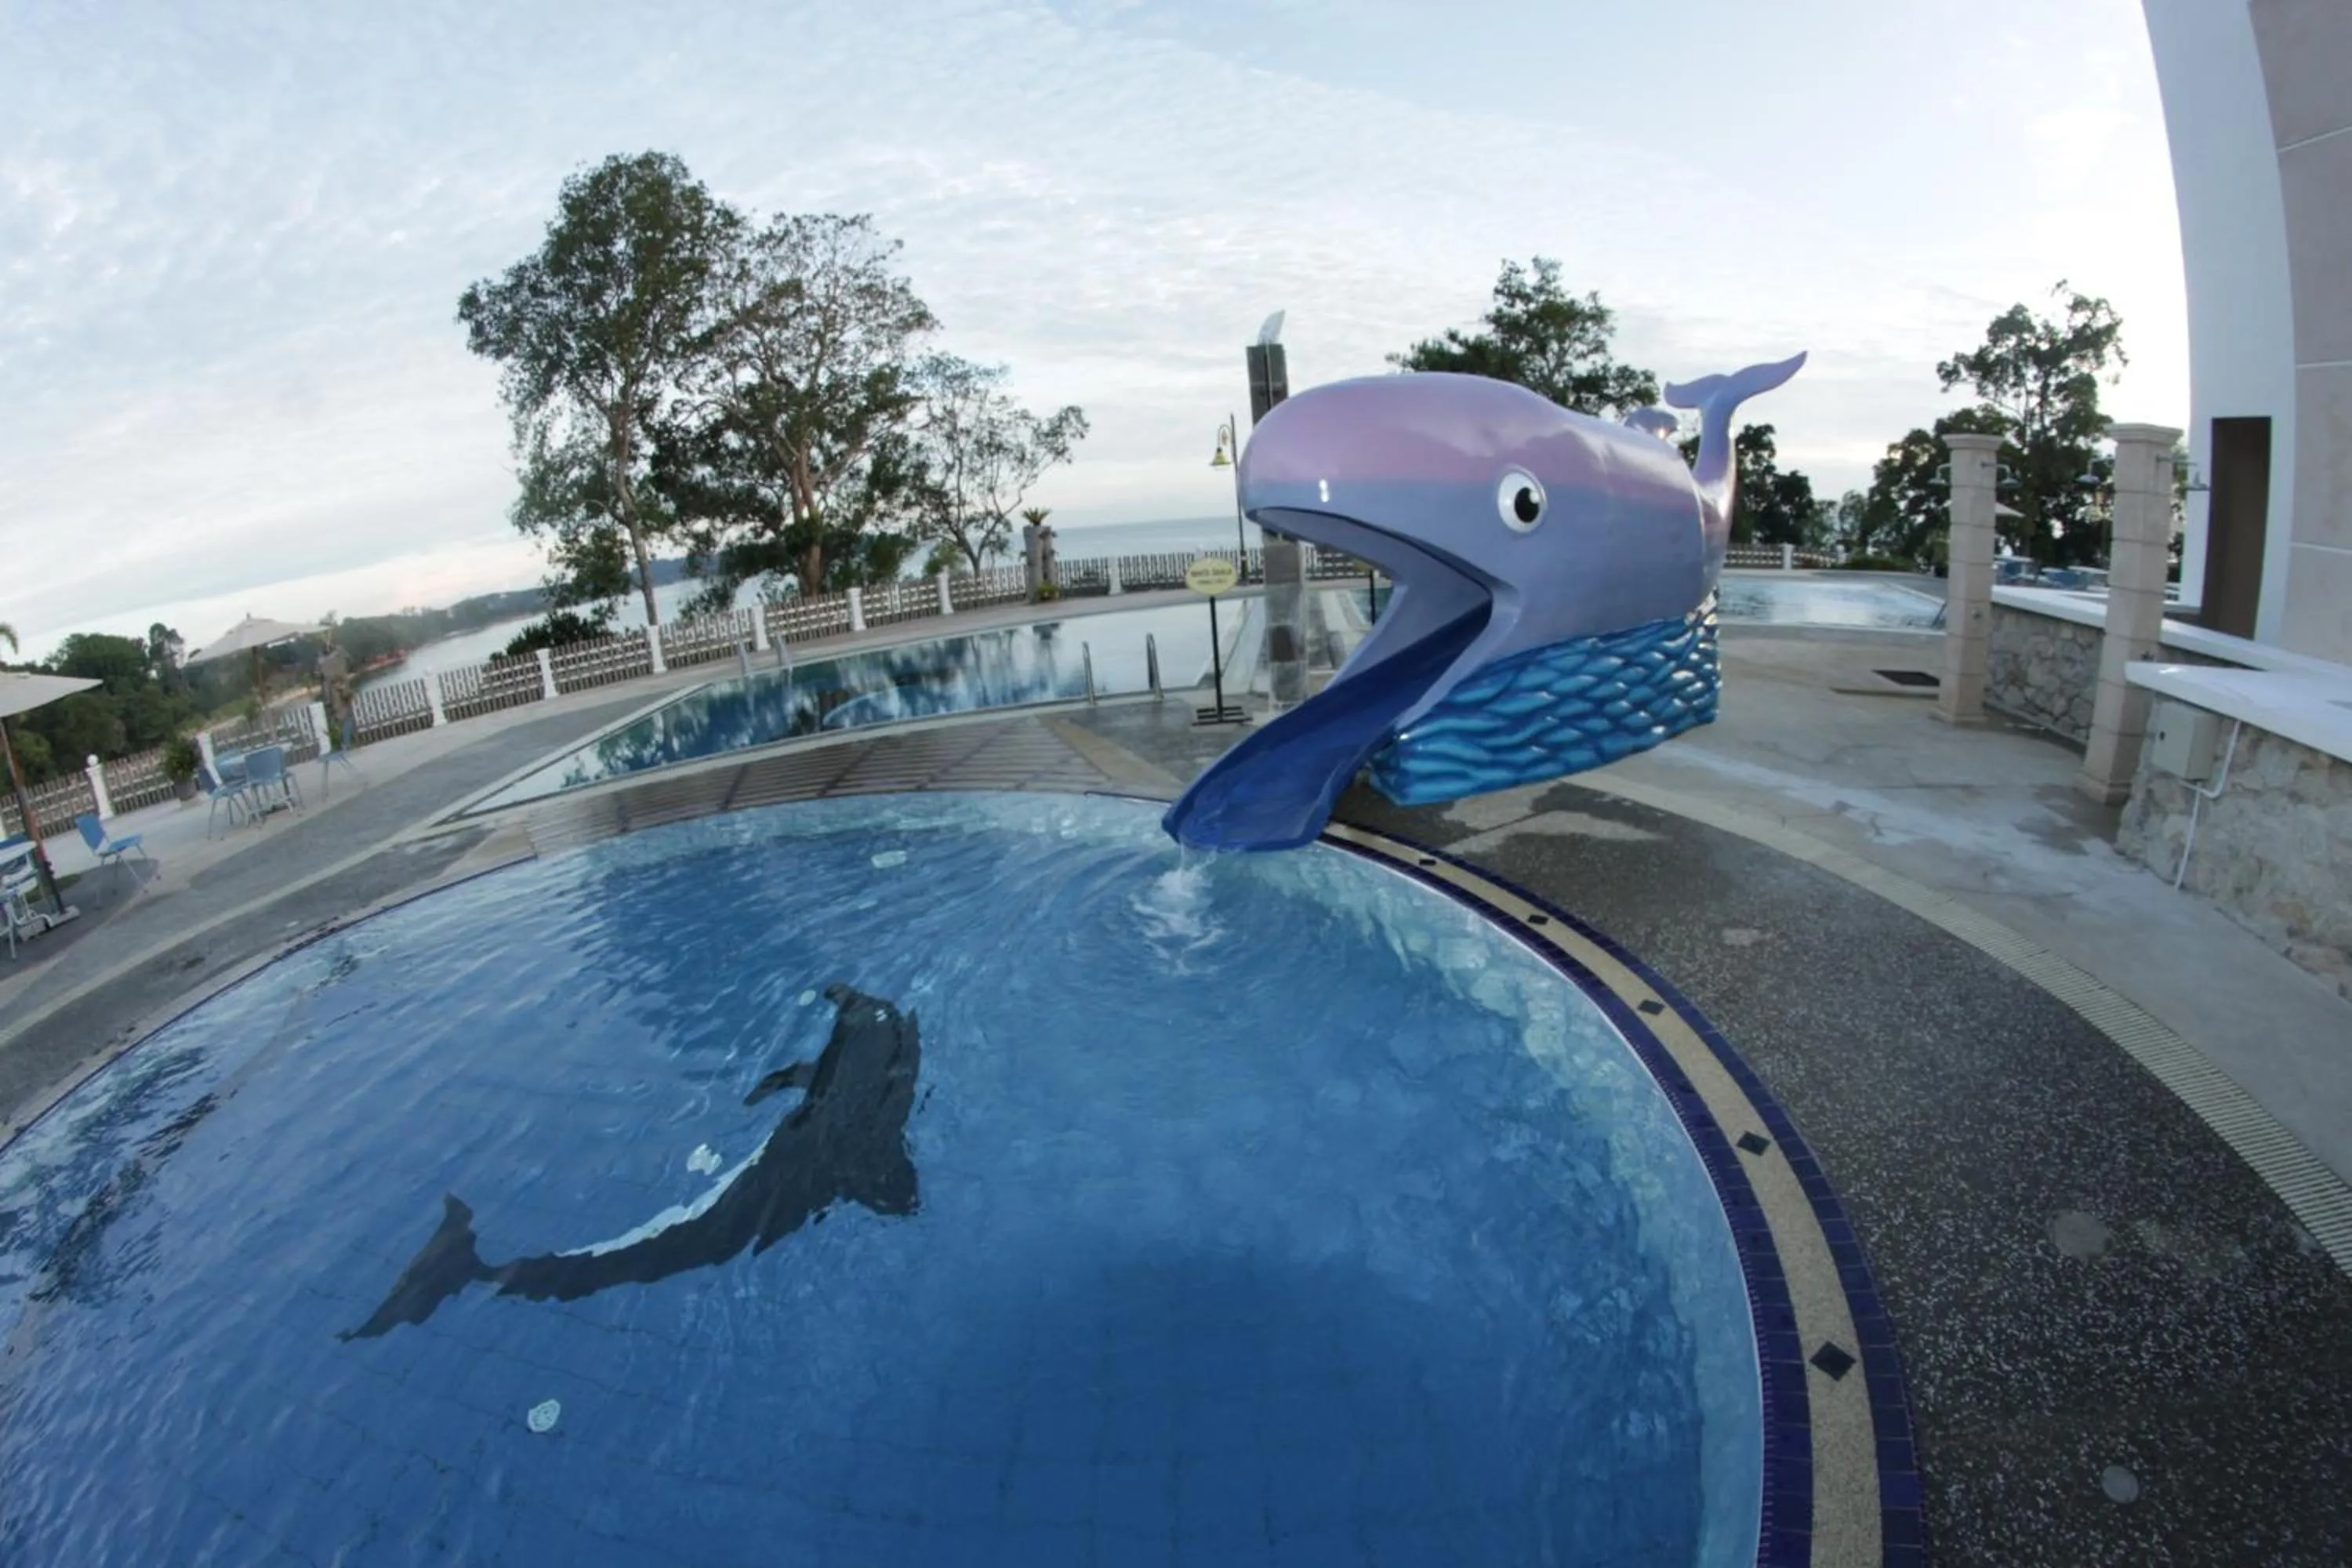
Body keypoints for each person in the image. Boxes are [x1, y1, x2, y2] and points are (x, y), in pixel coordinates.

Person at [317, 636, 356, 751]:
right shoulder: (336, 654)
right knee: (344, 716)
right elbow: (350, 662)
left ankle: (345, 742)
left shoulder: (322, 659)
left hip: (333, 691)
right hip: (337, 690)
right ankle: (346, 742)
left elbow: (320, 675)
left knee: (340, 717)